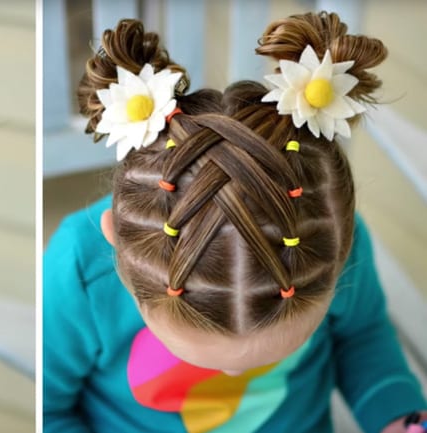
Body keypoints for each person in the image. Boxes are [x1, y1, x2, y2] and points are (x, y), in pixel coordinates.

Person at [43, 13, 427, 433]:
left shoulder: (322, 235)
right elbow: (49, 410)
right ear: (116, 243)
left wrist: (397, 417)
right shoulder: (79, 272)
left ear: (342, 244)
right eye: (200, 359)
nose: (230, 377)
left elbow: (362, 337)